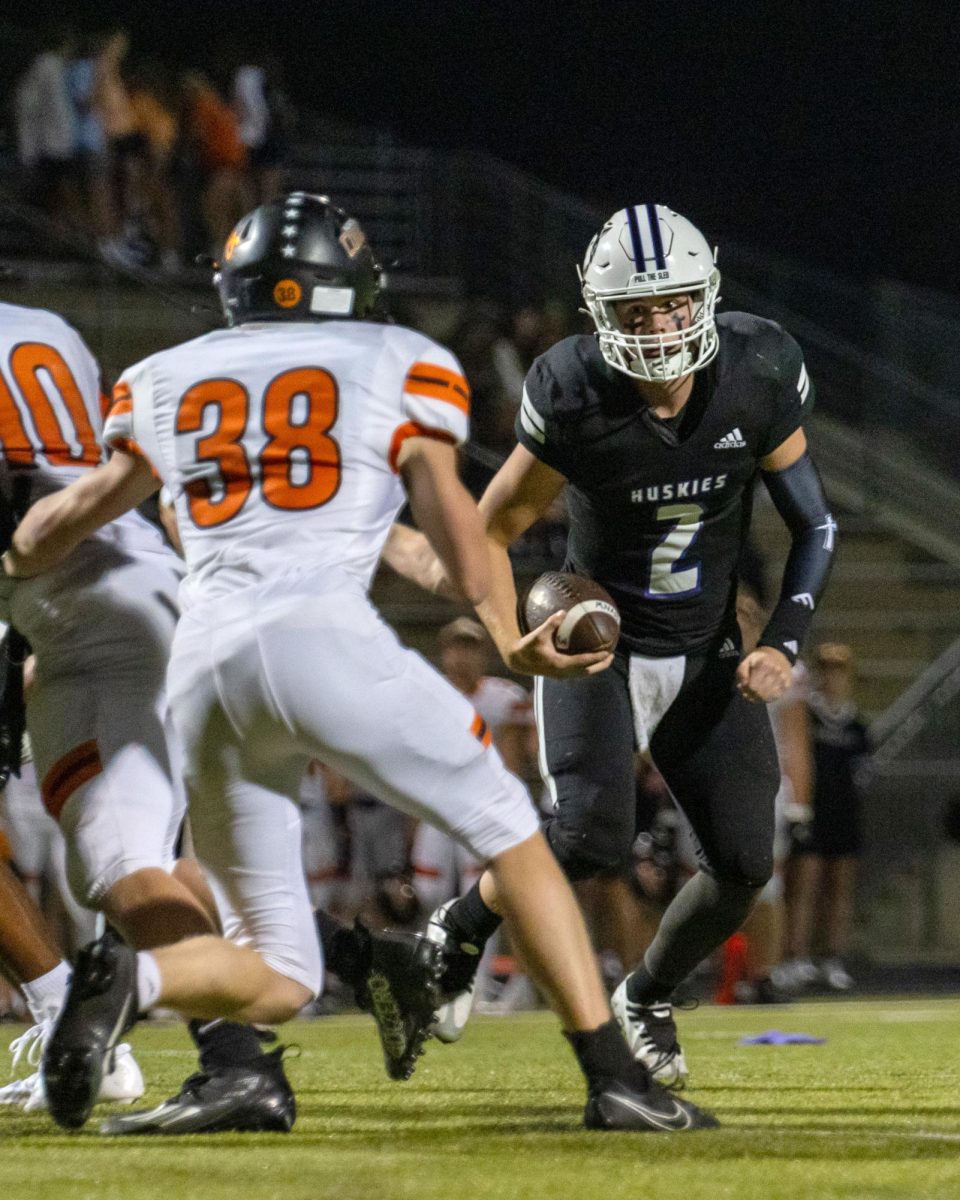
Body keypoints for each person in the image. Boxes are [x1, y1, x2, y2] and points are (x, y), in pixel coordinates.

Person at [8, 193, 716, 1134]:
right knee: (512, 831)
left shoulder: (166, 375)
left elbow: (81, 512)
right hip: (319, 640)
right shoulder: (397, 360)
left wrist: (18, 556)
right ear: (352, 286)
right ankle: (613, 1077)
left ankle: (130, 980)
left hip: (205, 672)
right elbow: (456, 536)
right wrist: (503, 630)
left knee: (281, 972)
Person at [385, 203, 838, 1085]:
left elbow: (814, 524)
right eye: (637, 311)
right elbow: (495, 526)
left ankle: (649, 992)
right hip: (604, 643)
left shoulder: (758, 368)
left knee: (744, 864)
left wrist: (783, 639)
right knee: (590, 836)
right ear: (603, 317)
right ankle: (457, 932)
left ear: (705, 298)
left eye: (674, 304)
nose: (660, 325)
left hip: (708, 644)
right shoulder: (574, 390)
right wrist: (517, 639)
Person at [0, 300, 295, 1129]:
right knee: (135, 859)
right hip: (140, 586)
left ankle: (237, 1064)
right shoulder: (41, 326)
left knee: (121, 863)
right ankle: (229, 1053)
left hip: (87, 626)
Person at [782, 642, 868, 991]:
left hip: (844, 816)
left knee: (839, 891)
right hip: (812, 815)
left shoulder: (858, 727)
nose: (833, 680)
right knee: (803, 888)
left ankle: (832, 957)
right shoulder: (808, 718)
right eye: (827, 671)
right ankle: (795, 956)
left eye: (840, 672)